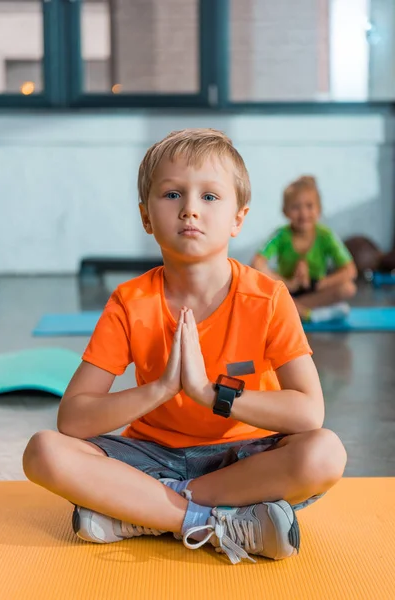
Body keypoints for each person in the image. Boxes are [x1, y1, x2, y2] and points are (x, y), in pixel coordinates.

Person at [22, 130, 347, 565]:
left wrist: (210, 395)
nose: (190, 208)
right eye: (173, 194)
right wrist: (159, 389)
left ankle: (141, 511)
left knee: (325, 453)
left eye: (210, 197)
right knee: (43, 451)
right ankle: (216, 522)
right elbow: (73, 419)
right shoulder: (129, 302)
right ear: (146, 217)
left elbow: (309, 412)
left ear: (238, 218)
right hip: (152, 457)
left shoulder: (268, 299)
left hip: (242, 463)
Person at [252, 176, 357, 323]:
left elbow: (350, 270)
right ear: (285, 211)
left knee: (348, 288)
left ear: (318, 209)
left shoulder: (326, 235)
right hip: (288, 290)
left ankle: (294, 311)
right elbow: (257, 263)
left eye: (309, 206)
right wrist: (286, 283)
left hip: (315, 289)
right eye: (296, 207)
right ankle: (310, 314)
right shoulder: (280, 235)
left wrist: (319, 283)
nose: (303, 214)